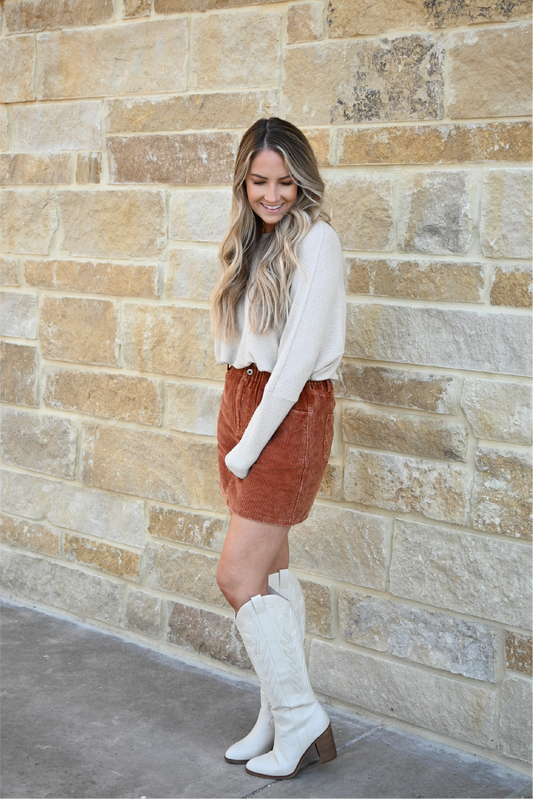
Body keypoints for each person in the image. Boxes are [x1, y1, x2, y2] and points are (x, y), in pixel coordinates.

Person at [210, 117, 346, 781]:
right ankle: (275, 713)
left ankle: (299, 716)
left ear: (302, 179)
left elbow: (292, 369)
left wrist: (246, 449)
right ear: (244, 180)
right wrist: (232, 426)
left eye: (285, 181)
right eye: (259, 181)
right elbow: (244, 348)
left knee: (235, 576)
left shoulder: (317, 242)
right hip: (246, 405)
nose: (272, 194)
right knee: (266, 575)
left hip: (286, 415)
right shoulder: (255, 239)